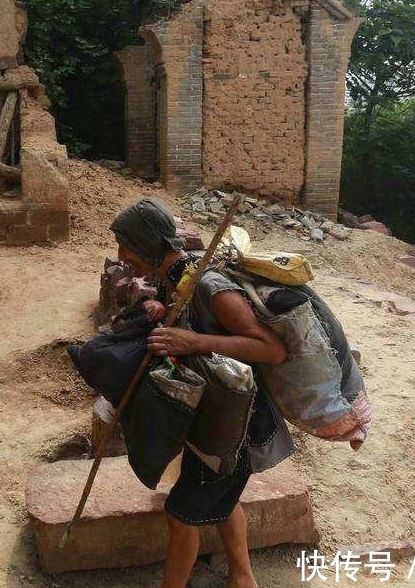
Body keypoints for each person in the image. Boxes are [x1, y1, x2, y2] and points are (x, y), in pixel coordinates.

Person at [109, 198, 296, 588]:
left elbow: (272, 349)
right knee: (221, 499)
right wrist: (163, 309)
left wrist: (193, 341)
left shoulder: (209, 284)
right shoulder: (176, 278)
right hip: (210, 418)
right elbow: (190, 320)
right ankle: (242, 577)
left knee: (181, 515)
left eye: (125, 245)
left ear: (146, 243)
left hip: (237, 426)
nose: (121, 255)